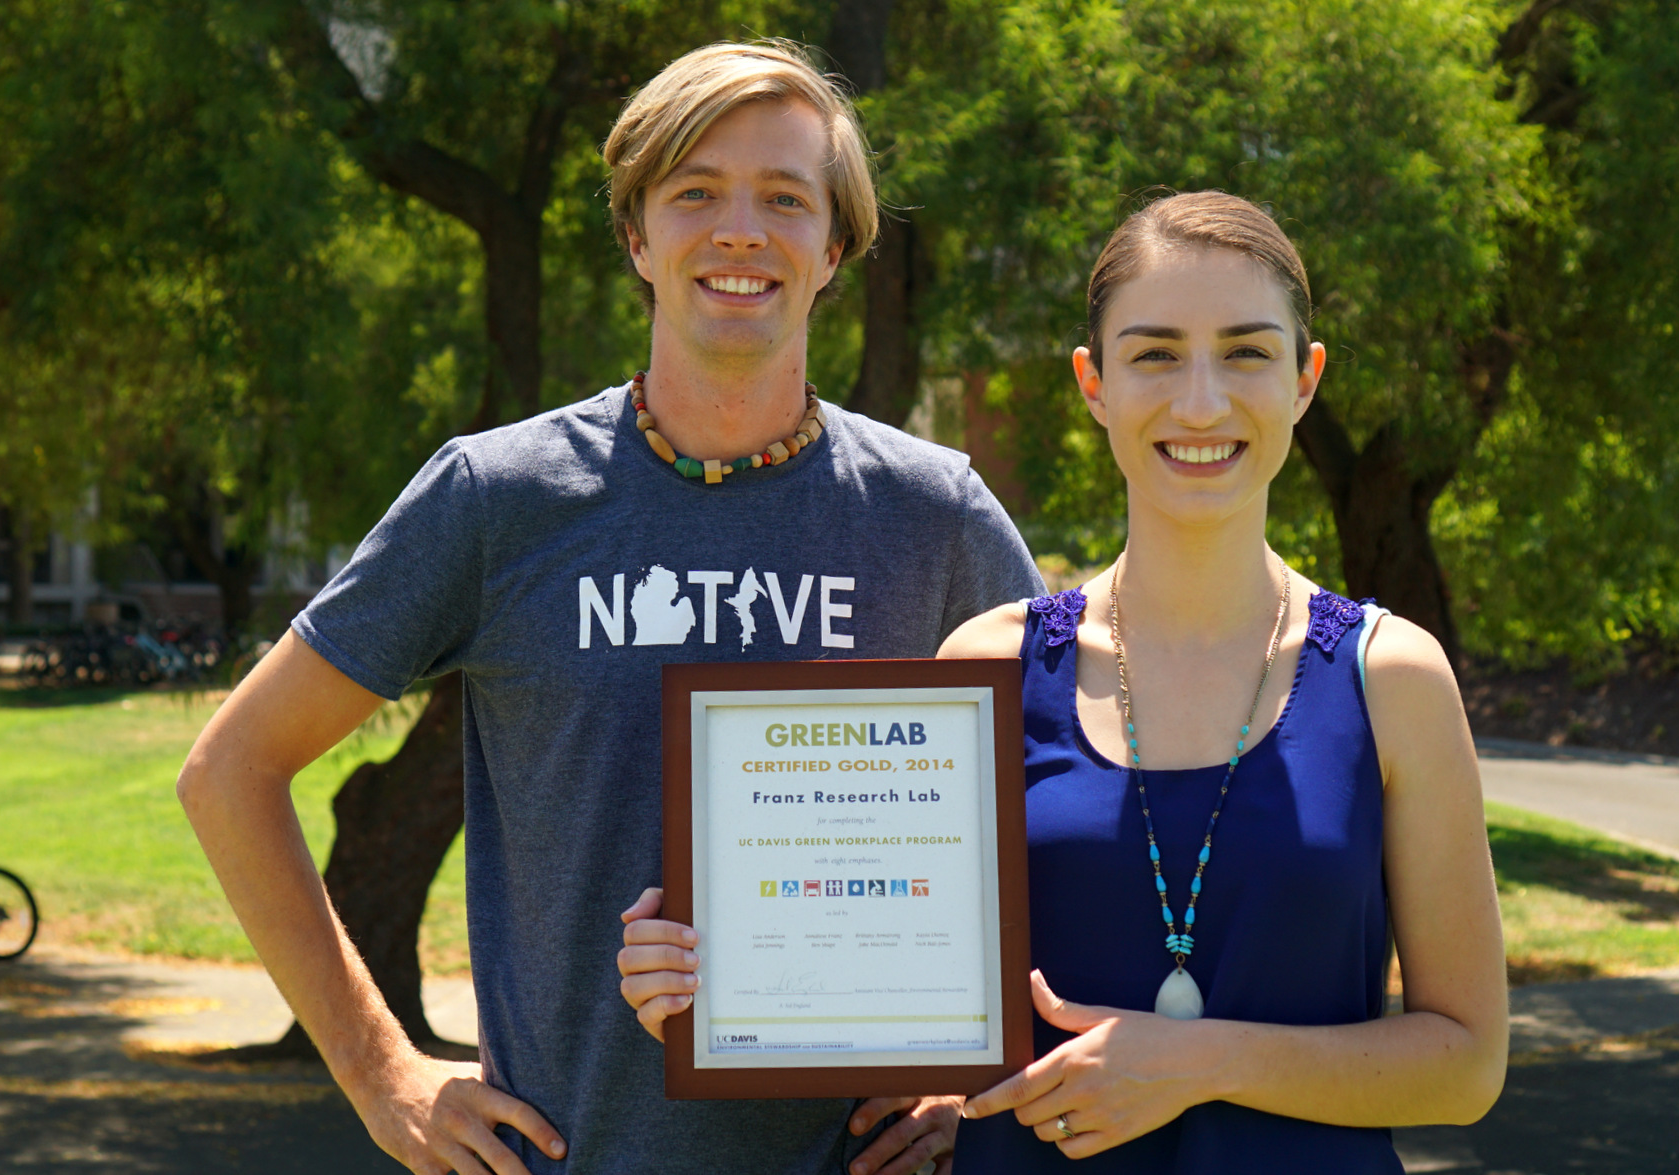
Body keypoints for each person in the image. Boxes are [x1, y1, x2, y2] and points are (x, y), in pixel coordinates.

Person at [176, 40, 1043, 1175]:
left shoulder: (934, 515)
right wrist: (380, 1069)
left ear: (833, 247)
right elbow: (229, 771)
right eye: (694, 192)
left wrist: (977, 1071)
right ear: (637, 234)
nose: (739, 230)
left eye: (784, 198)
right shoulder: (499, 499)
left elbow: (1071, 814)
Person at [624, 191, 1509, 1172]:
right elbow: (879, 971)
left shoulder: (1390, 677)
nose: (1202, 401)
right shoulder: (985, 669)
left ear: (1304, 380)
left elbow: (1464, 1062)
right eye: (1155, 352)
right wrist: (711, 971)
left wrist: (1197, 1061)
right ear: (1093, 382)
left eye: (1247, 351)